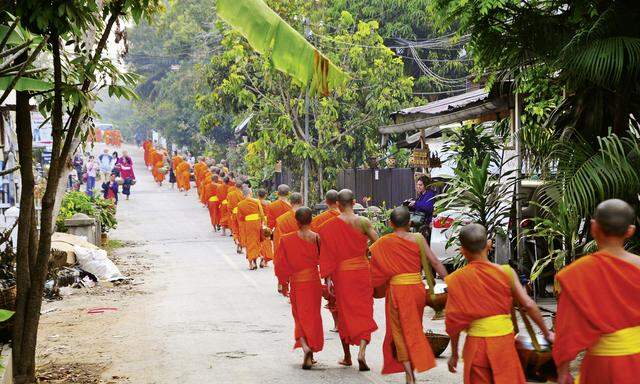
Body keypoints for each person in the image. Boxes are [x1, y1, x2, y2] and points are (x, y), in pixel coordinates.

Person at [445, 223, 554, 384]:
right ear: (489, 244)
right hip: (504, 344)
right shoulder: (506, 272)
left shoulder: (456, 279)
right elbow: (528, 305)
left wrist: (454, 354)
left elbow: (453, 323)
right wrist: (547, 333)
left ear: (462, 250)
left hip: (476, 347)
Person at [553, 199, 640, 384]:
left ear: (593, 227)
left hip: (601, 366)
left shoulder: (577, 273)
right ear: (630, 231)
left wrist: (563, 371)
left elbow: (568, 330)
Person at [370, 207, 447, 383]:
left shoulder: (383, 242)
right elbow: (435, 262)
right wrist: (451, 281)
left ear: (390, 224)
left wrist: (374, 289)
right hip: (416, 290)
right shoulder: (418, 239)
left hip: (397, 290)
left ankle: (408, 372)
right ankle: (413, 366)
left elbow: (375, 271)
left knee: (399, 332)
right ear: (410, 223)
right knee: (413, 329)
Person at [318, 189, 379, 371]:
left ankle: (347, 357)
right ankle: (362, 352)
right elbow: (378, 245)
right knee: (363, 312)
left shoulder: (329, 225)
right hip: (362, 271)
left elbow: (326, 254)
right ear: (354, 202)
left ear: (337, 204)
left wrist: (328, 278)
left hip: (342, 274)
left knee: (344, 314)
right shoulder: (363, 222)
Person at [274, 207, 324, 370]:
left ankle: (305, 347)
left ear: (296, 221)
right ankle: (311, 351)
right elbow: (324, 260)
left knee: (300, 316)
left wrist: (282, 282)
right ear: (311, 220)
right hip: (313, 282)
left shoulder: (286, 239)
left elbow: (280, 263)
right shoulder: (317, 238)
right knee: (313, 316)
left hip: (297, 282)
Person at [237, 188, 265, 270]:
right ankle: (258, 257)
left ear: (243, 195)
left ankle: (251, 262)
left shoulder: (240, 204)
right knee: (256, 241)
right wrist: (263, 222)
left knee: (250, 242)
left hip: (248, 224)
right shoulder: (256, 201)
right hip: (257, 223)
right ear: (250, 193)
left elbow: (241, 218)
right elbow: (262, 213)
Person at [408, 175, 437, 243]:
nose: (418, 187)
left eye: (420, 185)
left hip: (426, 224)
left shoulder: (430, 194)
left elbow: (428, 207)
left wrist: (415, 203)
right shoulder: (422, 195)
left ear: (426, 185)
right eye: (417, 185)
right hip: (421, 223)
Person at [257, 189, 274, 268]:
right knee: (267, 241)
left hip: (259, 222)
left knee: (261, 241)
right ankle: (265, 260)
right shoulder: (269, 203)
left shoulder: (256, 202)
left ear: (257, 195)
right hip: (267, 223)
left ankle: (262, 256)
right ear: (266, 195)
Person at [227, 180, 245, 253]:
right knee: (241, 230)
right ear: (241, 187)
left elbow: (229, 206)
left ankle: (237, 240)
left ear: (235, 186)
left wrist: (231, 213)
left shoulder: (230, 194)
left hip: (234, 213)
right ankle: (240, 245)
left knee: (235, 229)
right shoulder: (243, 195)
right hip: (241, 214)